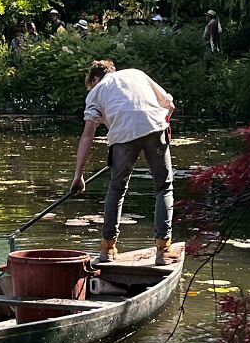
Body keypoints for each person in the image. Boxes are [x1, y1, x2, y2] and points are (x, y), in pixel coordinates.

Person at [70, 60, 175, 264]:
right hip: (155, 127)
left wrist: (78, 176)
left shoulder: (96, 91)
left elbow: (87, 136)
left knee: (117, 189)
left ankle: (107, 249)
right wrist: (165, 126)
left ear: (94, 79)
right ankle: (163, 250)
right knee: (164, 187)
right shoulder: (136, 73)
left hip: (123, 137)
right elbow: (169, 105)